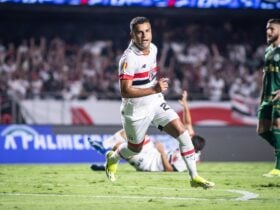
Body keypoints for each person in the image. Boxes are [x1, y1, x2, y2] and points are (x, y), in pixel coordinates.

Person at [105, 16, 214, 189]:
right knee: (135, 149)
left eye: (147, 31)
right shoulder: (128, 59)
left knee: (182, 132)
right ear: (132, 35)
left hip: (155, 103)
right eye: (139, 32)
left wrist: (155, 91)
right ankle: (113, 157)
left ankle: (194, 177)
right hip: (135, 110)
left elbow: (149, 77)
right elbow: (125, 91)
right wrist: (154, 89)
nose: (144, 36)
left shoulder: (154, 49)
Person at [89, 91, 205, 172]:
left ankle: (106, 159)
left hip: (150, 164)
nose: (187, 140)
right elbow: (188, 124)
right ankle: (104, 146)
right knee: (133, 132)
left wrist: (162, 152)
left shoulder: (188, 159)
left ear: (193, 148)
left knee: (118, 146)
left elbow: (169, 170)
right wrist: (185, 105)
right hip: (153, 152)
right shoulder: (192, 142)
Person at [257, 19, 280, 177]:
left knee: (277, 126)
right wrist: (262, 96)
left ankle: (278, 168)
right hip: (267, 96)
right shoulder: (268, 50)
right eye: (267, 29)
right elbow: (265, 75)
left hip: (278, 94)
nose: (268, 31)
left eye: (272, 28)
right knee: (262, 130)